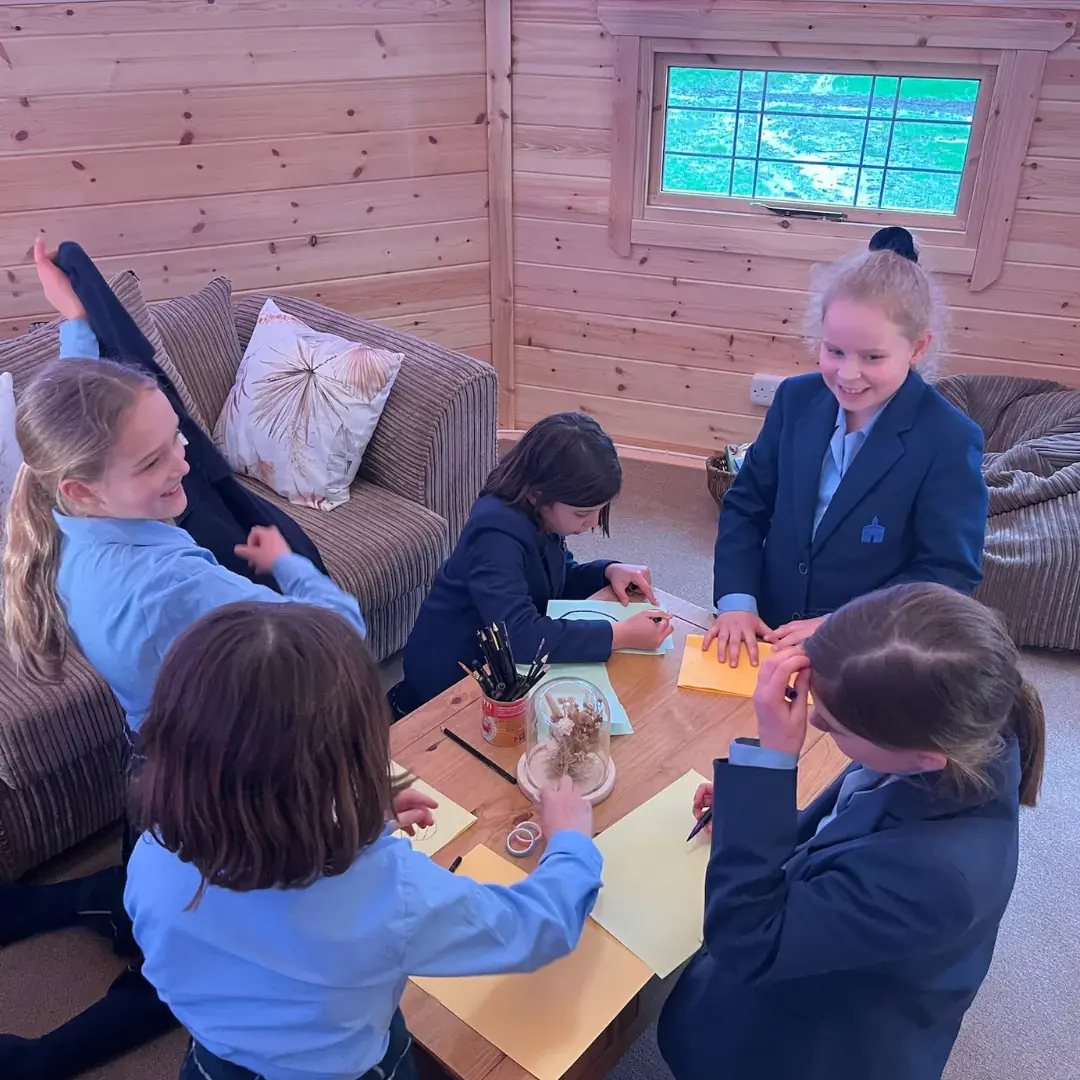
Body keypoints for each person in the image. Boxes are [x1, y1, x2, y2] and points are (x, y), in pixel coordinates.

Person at [0, 347, 365, 1072]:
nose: (183, 464)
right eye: (153, 461)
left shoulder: (59, 510)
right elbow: (338, 638)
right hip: (210, 769)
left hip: (148, 745)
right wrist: (289, 563)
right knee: (192, 948)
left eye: (176, 437)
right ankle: (44, 1059)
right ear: (84, 488)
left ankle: (60, 904)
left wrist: (81, 320)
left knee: (148, 869)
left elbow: (97, 412)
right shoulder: (171, 584)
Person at [126, 601, 601, 1080]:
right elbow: (535, 930)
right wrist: (570, 842)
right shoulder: (388, 894)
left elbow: (254, 852)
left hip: (214, 1060)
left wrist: (352, 825)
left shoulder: (150, 853)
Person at [658, 582, 1044, 1080]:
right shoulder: (951, 738)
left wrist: (772, 765)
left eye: (834, 727)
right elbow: (841, 823)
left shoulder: (941, 878)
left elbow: (745, 942)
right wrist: (755, 811)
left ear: (924, 757)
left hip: (815, 1049)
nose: (813, 719)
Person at [707, 225, 988, 666]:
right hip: (766, 630)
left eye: (872, 357)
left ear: (917, 348)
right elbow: (746, 504)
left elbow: (948, 574)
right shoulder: (795, 399)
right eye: (834, 351)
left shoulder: (950, 438)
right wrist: (738, 602)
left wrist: (844, 624)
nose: (848, 374)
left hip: (868, 654)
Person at [391, 412, 671, 715]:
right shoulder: (495, 532)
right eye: (582, 513)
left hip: (497, 664)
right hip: (449, 681)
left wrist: (607, 571)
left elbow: (554, 582)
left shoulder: (536, 514)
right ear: (539, 494)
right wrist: (620, 634)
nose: (592, 523)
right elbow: (521, 636)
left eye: (599, 511)